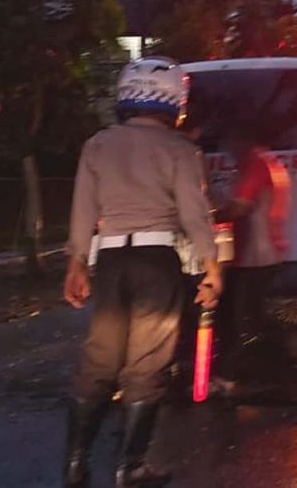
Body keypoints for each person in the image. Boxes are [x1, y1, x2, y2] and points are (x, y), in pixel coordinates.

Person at [63, 57, 223, 488]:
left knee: (100, 358)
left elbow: (83, 209)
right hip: (157, 261)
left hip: (111, 260)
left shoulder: (98, 145)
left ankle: (75, 463)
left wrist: (76, 263)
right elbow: (194, 215)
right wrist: (211, 267)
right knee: (146, 362)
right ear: (176, 102)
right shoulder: (180, 150)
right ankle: (131, 466)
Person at [213, 129, 297, 398]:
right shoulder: (269, 162)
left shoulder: (255, 165)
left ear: (243, 140)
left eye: (231, 141)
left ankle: (226, 378)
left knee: (241, 317)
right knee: (254, 316)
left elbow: (240, 206)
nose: (228, 147)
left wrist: (209, 216)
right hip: (265, 250)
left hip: (255, 254)